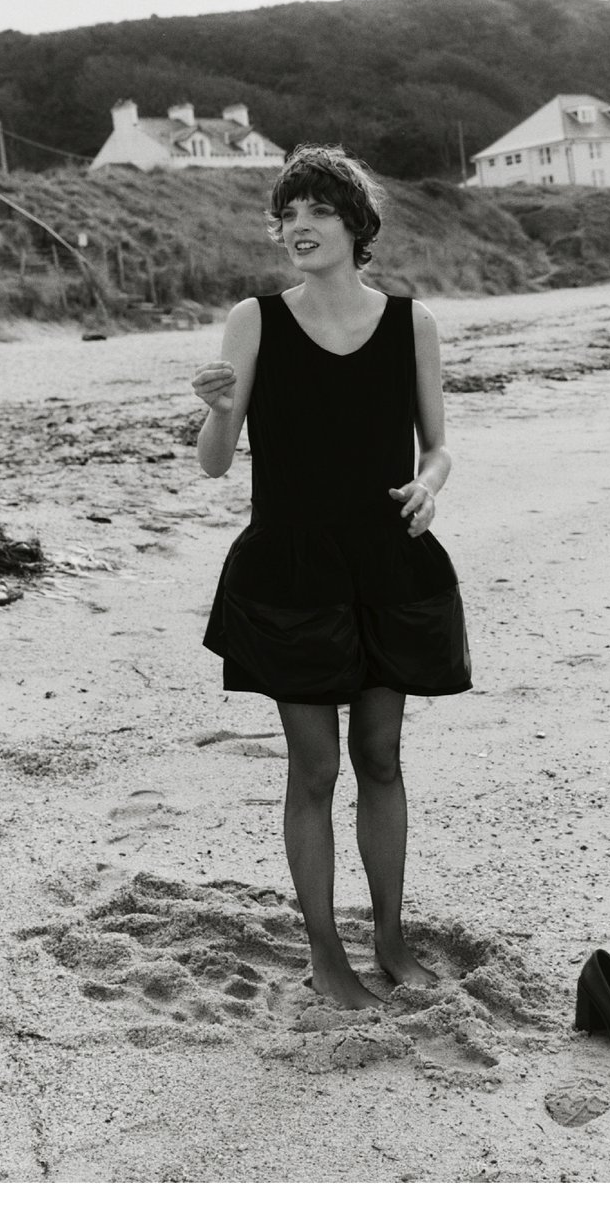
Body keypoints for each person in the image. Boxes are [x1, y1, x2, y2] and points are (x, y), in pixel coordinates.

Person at [190, 145, 472, 1010]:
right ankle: (324, 950)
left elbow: (438, 446)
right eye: (288, 214)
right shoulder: (255, 320)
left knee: (380, 755)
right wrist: (216, 410)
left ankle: (388, 936)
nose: (298, 226)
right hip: (292, 569)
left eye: (317, 210)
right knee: (313, 768)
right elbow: (214, 462)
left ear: (356, 224)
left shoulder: (412, 323)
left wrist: (428, 486)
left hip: (387, 561)